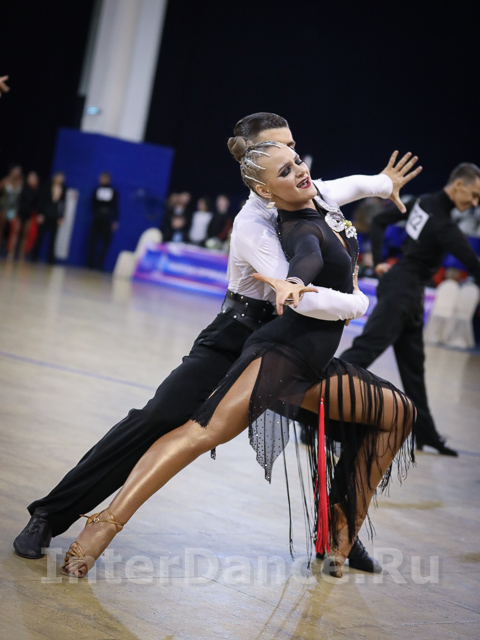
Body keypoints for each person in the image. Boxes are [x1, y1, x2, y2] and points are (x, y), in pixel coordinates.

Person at [14, 112, 419, 574]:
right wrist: (355, 300)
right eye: (279, 149)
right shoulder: (253, 223)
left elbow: (348, 186)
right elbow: (296, 289)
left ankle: (340, 534)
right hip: (239, 336)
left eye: (292, 146)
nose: (291, 155)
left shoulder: (305, 189)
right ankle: (50, 515)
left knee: (370, 416)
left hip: (294, 341)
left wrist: (384, 184)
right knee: (157, 418)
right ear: (256, 162)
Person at [340, 163, 480, 456]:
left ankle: (425, 433)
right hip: (402, 293)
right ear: (459, 185)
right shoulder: (443, 225)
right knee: (361, 354)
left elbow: (380, 222)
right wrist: (379, 261)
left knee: (413, 369)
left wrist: (380, 260)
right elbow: (473, 264)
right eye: (474, 194)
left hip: (406, 290)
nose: (475, 203)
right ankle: (312, 414)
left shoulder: (422, 202)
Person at [31, 171, 66, 264]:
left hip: (55, 216)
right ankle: (34, 256)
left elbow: (63, 204)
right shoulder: (47, 186)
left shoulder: (63, 189)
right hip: (45, 215)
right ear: (55, 177)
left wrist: (61, 217)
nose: (60, 179)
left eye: (62, 178)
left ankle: (50, 259)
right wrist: (40, 214)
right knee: (40, 236)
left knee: (53, 239)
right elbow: (41, 200)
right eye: (59, 177)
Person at [87, 172, 119, 269]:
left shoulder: (113, 191)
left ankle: (100, 264)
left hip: (107, 219)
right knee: (92, 240)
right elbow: (93, 204)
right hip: (97, 218)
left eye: (104, 178)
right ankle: (90, 263)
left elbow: (115, 206)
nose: (102, 180)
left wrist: (115, 220)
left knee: (106, 242)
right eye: (101, 178)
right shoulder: (97, 189)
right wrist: (97, 213)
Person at [9, 171, 40, 260]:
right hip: (20, 213)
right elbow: (18, 201)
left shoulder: (36, 192)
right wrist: (16, 213)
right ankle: (11, 252)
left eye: (33, 178)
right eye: (30, 178)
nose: (31, 180)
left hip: (28, 215)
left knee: (25, 235)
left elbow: (36, 205)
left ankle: (22, 254)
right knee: (15, 232)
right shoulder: (23, 189)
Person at [0, 165, 23, 254]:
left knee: (15, 230)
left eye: (19, 172)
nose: (17, 173)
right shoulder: (5, 181)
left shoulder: (21, 183)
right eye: (16, 171)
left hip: (14, 209)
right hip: (3, 208)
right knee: (1, 228)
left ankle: (11, 252)